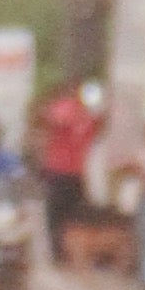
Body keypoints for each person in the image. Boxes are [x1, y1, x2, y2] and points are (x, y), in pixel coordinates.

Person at [37, 75, 100, 259]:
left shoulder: (86, 114)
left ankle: (69, 249)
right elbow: (55, 121)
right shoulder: (63, 108)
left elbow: (93, 131)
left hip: (75, 170)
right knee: (57, 213)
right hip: (59, 169)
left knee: (73, 214)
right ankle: (57, 250)